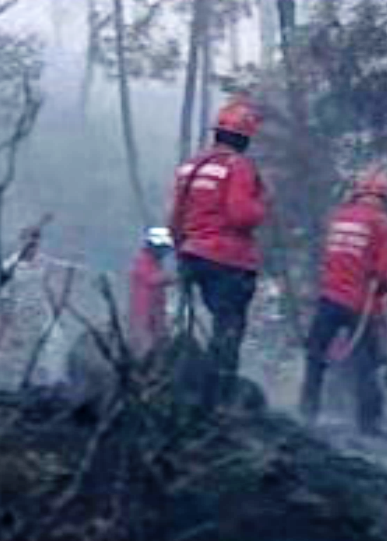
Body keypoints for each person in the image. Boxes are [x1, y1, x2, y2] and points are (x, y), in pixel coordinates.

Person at [299, 165, 387, 434]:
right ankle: (369, 426)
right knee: (367, 366)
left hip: (329, 298)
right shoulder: (382, 224)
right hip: (360, 306)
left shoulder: (339, 218)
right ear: (385, 197)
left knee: (315, 357)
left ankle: (307, 412)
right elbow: (386, 272)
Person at [169, 94, 267, 410]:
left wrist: (182, 249)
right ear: (245, 138)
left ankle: (186, 387)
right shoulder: (238, 167)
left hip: (191, 254)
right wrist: (262, 205)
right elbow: (241, 216)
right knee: (228, 328)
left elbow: (175, 218)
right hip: (227, 260)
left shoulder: (191, 166)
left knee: (190, 321)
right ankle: (219, 399)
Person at [127, 227, 176, 357]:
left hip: (156, 310)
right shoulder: (142, 260)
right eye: (162, 248)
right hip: (143, 310)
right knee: (144, 341)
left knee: (158, 337)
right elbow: (152, 279)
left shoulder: (156, 263)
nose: (164, 252)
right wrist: (173, 278)